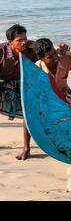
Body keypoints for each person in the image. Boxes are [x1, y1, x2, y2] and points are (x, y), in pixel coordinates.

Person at [0, 24, 37, 160]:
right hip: (3, 83)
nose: (24, 42)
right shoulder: (1, 51)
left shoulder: (31, 50)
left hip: (24, 85)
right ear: (10, 42)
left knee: (29, 108)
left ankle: (26, 148)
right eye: (19, 40)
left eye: (25, 38)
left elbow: (48, 53)